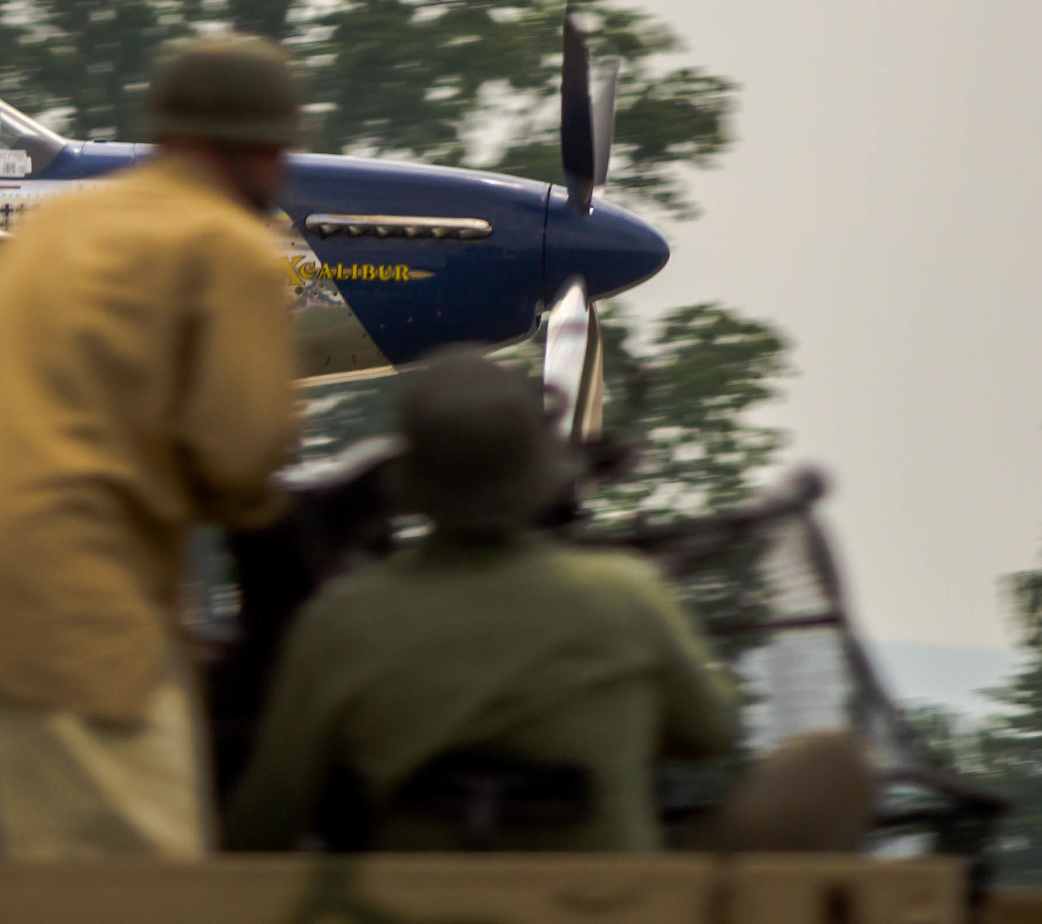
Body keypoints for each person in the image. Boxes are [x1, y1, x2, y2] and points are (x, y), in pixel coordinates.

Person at [0, 34, 305, 860]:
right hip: (60, 621)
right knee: (130, 899)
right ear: (264, 148)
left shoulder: (60, 230)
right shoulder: (227, 248)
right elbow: (243, 462)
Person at [224, 350, 878, 854]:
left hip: (408, 910)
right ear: (539, 477)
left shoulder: (341, 623)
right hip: (613, 909)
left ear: (413, 484)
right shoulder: (625, 593)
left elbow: (265, 822)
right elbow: (711, 732)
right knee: (835, 762)